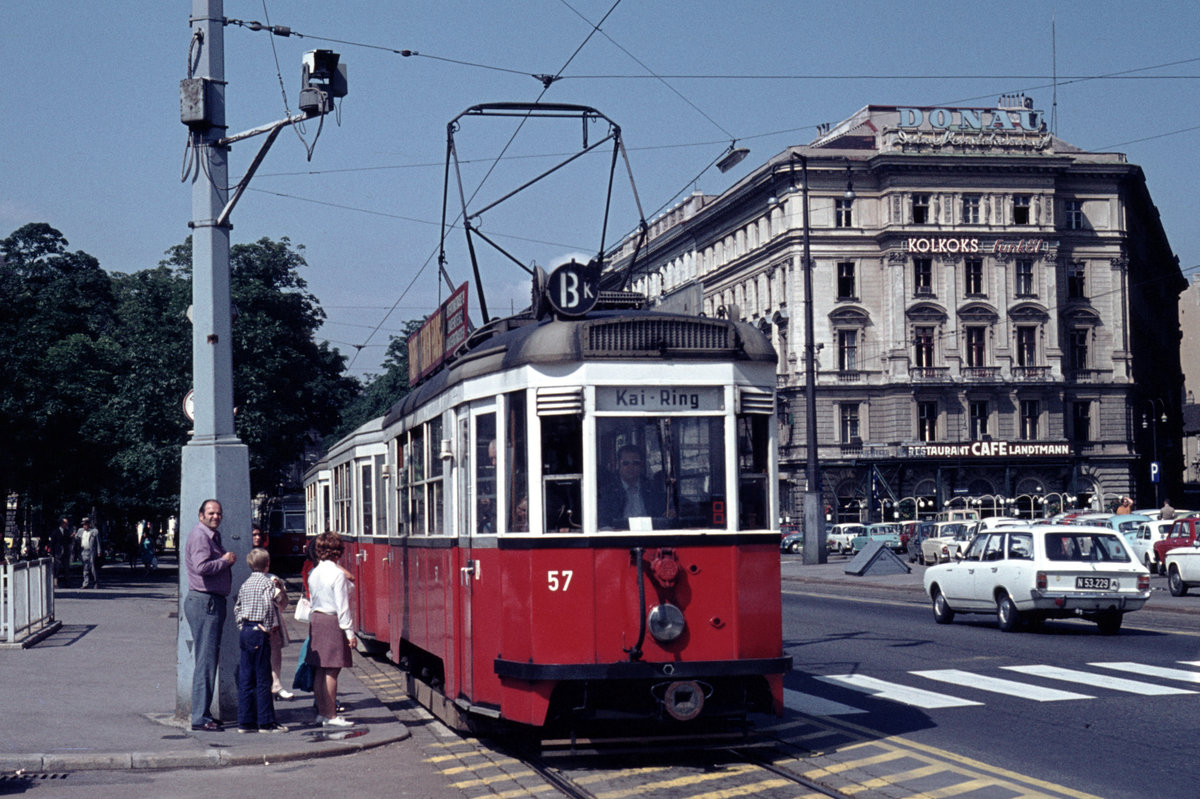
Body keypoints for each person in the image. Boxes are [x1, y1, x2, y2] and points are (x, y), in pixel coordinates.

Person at [184, 499, 237, 732]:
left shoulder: (211, 536)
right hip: (206, 603)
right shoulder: (200, 536)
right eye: (211, 513)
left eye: (218, 513)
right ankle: (200, 717)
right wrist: (225, 561)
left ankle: (203, 713)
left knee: (207, 660)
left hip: (211, 602)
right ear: (201, 515)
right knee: (205, 661)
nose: (215, 516)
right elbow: (201, 567)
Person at [233, 547, 288, 733]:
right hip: (260, 631)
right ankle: (266, 722)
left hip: (246, 630)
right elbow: (270, 605)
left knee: (246, 678)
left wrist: (242, 625)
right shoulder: (267, 584)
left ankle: (245, 722)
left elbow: (237, 608)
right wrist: (269, 626)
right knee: (263, 678)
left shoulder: (245, 584)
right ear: (267, 565)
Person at [306, 531, 357, 727]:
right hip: (332, 621)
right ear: (338, 551)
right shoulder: (336, 574)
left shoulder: (314, 572)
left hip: (317, 620)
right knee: (332, 670)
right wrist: (349, 633)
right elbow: (342, 606)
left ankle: (322, 713)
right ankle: (332, 715)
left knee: (320, 669)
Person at [597, 445, 671, 529]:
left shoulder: (652, 489)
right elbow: (602, 520)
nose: (630, 467)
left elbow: (669, 505)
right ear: (618, 465)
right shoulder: (607, 492)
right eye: (626, 463)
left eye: (635, 463)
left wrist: (672, 510)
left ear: (641, 465)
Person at [75, 517, 100, 589]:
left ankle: (96, 582)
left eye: (85, 525)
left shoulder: (94, 531)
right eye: (83, 525)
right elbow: (76, 538)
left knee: (93, 568)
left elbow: (98, 542)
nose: (84, 526)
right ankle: (85, 583)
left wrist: (99, 551)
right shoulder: (80, 531)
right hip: (84, 551)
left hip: (91, 551)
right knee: (85, 568)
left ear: (88, 524)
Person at [50, 517, 73, 587]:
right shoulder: (55, 532)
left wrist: (71, 537)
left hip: (65, 552)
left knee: (66, 568)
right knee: (57, 568)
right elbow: (52, 543)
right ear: (62, 524)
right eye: (66, 523)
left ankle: (67, 583)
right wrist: (52, 553)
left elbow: (68, 542)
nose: (67, 524)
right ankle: (55, 582)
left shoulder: (67, 532)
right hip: (58, 552)